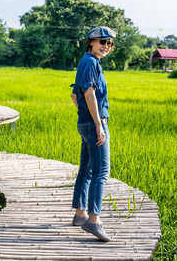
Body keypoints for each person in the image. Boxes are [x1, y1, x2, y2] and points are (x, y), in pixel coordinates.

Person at [70, 26, 116, 242]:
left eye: (109, 43)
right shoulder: (90, 62)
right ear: (91, 42)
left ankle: (80, 214)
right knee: (101, 171)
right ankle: (94, 220)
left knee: (87, 169)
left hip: (86, 122)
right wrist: (98, 124)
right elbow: (88, 94)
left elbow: (74, 93)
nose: (106, 46)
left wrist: (86, 118)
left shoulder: (89, 61)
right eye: (102, 42)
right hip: (94, 123)